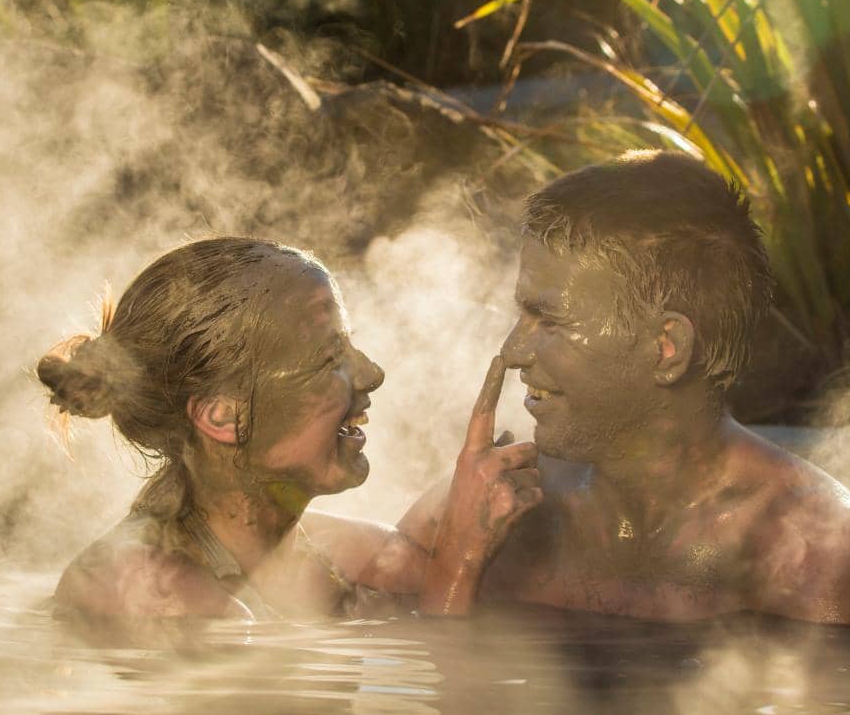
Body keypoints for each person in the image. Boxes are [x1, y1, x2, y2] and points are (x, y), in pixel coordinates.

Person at [415, 151, 850, 624]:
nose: (512, 351)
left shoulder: (816, 557)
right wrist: (458, 560)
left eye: (548, 319)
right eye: (522, 314)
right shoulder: (489, 504)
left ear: (666, 347)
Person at [37, 237, 541, 623]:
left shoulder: (314, 551)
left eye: (350, 344)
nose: (371, 374)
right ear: (223, 416)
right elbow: (450, 693)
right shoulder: (155, 591)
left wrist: (458, 508)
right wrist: (460, 564)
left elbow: (415, 571)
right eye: (328, 358)